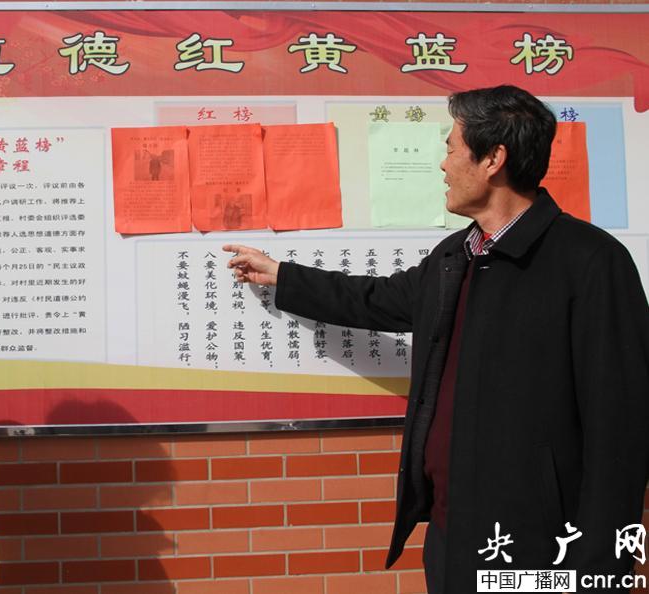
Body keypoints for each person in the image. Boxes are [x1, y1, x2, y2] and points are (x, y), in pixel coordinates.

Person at [224, 85, 649, 593]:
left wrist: (598, 571)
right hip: (453, 533)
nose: (443, 165)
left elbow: (621, 430)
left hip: (541, 545)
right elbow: (375, 299)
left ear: (493, 159)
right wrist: (281, 275)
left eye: (451, 148)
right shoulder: (456, 257)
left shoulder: (590, 262)